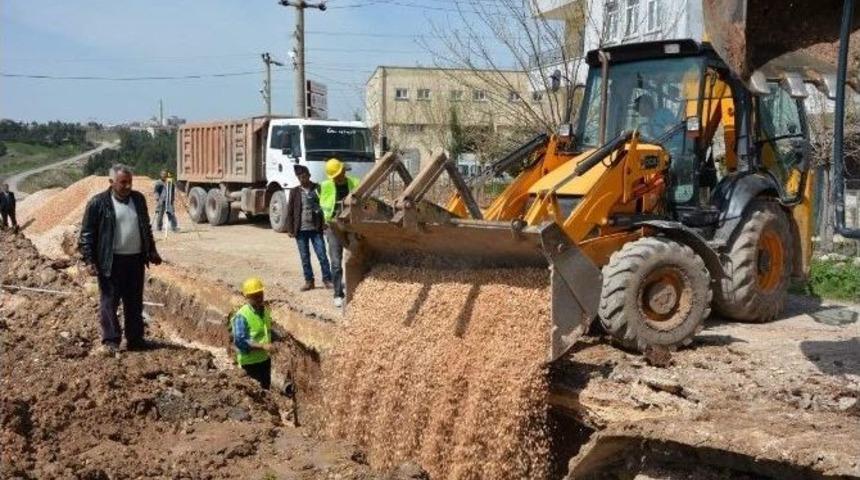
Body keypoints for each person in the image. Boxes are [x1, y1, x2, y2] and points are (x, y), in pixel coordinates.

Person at [79, 164, 162, 355]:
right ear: (111, 182)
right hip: (111, 262)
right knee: (110, 302)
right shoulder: (98, 203)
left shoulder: (138, 200)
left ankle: (135, 339)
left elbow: (145, 228)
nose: (127, 186)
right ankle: (111, 340)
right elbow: (87, 235)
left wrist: (152, 250)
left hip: (135, 261)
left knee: (134, 301)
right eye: (123, 182)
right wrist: (90, 261)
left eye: (129, 182)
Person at [285, 165, 333, 291]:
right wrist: (290, 229)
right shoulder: (294, 192)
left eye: (304, 176)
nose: (302, 178)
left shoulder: (318, 188)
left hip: (316, 229)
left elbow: (324, 206)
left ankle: (327, 280)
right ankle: (309, 281)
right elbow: (290, 211)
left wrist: (325, 224)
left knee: (322, 255)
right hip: (300, 231)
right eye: (300, 177)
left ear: (309, 175)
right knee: (305, 257)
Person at [320, 158, 360, 308]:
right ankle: (338, 294)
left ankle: (357, 289)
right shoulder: (325, 186)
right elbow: (323, 206)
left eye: (340, 173)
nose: (339, 177)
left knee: (355, 257)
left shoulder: (354, 183)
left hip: (351, 226)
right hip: (333, 227)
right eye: (335, 175)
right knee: (336, 263)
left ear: (343, 171)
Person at [231, 277, 275, 389]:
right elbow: (240, 341)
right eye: (255, 296)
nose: (259, 298)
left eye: (260, 295)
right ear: (247, 297)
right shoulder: (242, 316)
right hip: (250, 363)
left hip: (264, 359)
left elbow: (266, 330)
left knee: (266, 389)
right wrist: (263, 346)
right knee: (255, 391)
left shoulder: (264, 310)